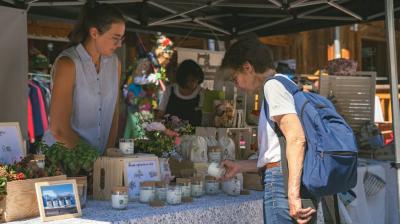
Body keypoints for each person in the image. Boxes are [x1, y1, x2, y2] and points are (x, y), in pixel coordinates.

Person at [219, 35, 316, 224]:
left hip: (281, 183)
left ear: (248, 67)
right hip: (284, 177)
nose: (236, 84)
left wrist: (292, 195)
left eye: (235, 77)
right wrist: (241, 166)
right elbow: (276, 154)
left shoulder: (273, 87)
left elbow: (296, 138)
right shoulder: (283, 84)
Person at [44, 3, 125, 154]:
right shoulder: (68, 64)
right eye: (115, 38)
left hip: (95, 161)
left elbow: (114, 114)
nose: (119, 44)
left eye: (121, 39)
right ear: (94, 33)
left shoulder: (115, 64)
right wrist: (91, 160)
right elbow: (59, 129)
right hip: (62, 159)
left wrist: (106, 156)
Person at [158, 59, 204, 126]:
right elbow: (161, 113)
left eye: (195, 80)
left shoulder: (201, 93)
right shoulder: (170, 90)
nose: (194, 84)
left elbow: (203, 119)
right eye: (190, 80)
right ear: (183, 79)